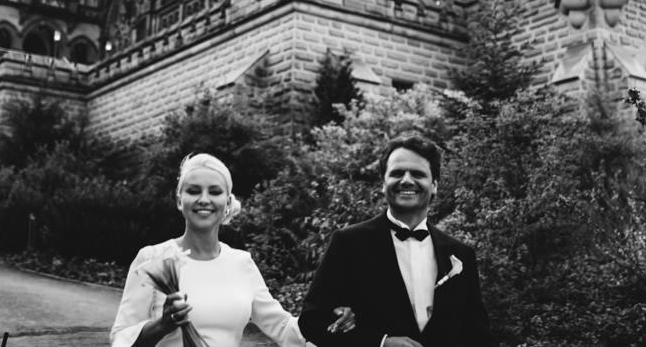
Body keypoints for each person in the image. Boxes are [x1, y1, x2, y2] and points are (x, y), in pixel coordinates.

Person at [111, 153, 353, 347]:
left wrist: (329, 325)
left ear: (227, 204)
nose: (204, 199)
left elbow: (281, 326)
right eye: (193, 191)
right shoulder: (152, 258)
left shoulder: (241, 263)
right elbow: (120, 338)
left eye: (214, 192)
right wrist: (161, 325)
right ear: (179, 200)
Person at [299, 134, 495, 347]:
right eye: (397, 173)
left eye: (418, 174)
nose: (407, 180)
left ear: (435, 185)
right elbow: (312, 321)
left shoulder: (460, 254)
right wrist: (381, 343)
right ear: (384, 184)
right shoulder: (348, 243)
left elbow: (478, 335)